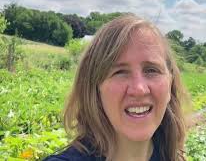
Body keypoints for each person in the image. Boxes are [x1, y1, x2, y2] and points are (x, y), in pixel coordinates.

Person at [44, 14, 187, 161]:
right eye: (120, 72)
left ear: (170, 82)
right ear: (95, 88)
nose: (139, 89)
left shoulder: (171, 155)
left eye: (151, 70)